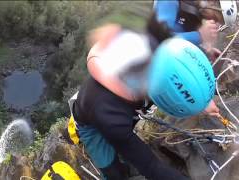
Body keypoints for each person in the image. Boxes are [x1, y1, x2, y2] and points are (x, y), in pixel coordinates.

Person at [70, 15, 216, 180]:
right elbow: (151, 167)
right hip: (92, 123)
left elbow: (182, 68)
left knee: (126, 143)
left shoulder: (156, 52)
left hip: (120, 110)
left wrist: (202, 100)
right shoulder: (110, 116)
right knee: (115, 174)